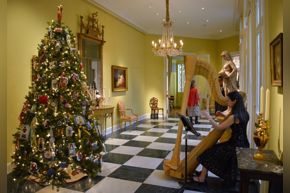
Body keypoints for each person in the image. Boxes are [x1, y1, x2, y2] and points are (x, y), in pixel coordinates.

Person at [193, 91, 249, 187]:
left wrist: (208, 117)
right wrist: (224, 116)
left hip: (234, 146)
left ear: (234, 101)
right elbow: (233, 123)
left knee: (207, 153)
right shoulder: (245, 113)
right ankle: (203, 173)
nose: (227, 103)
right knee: (212, 150)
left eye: (228, 101)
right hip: (244, 143)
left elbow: (219, 128)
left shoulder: (234, 116)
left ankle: (201, 178)